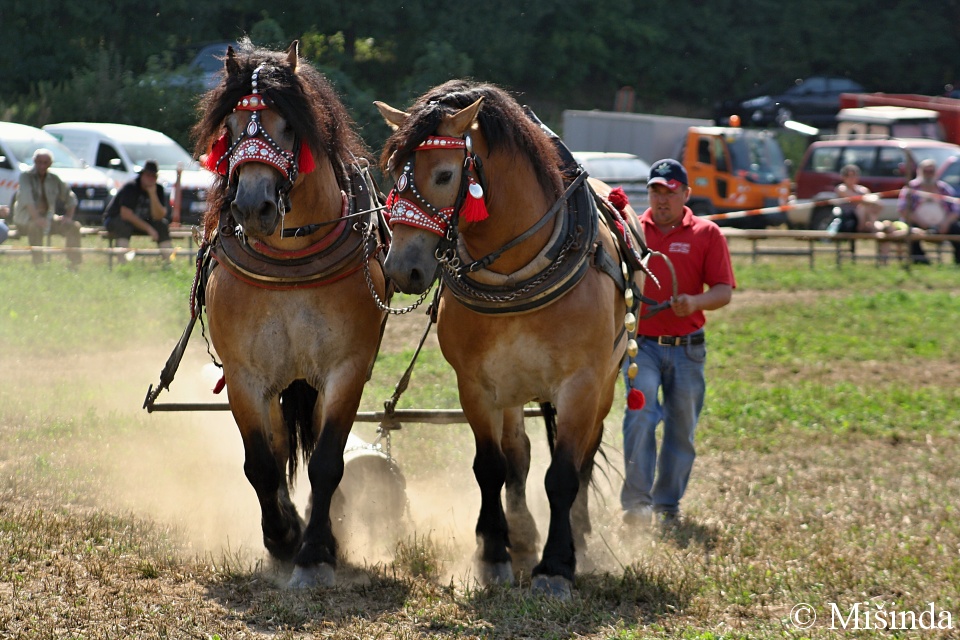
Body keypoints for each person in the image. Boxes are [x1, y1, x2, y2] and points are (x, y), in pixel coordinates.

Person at [621, 159, 736, 530]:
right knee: (640, 417)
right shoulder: (632, 232)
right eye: (656, 191)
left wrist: (694, 302)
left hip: (688, 347)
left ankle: (667, 505)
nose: (662, 199)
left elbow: (723, 291)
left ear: (685, 194)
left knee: (681, 427)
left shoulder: (707, 233)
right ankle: (637, 504)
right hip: (644, 347)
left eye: (669, 192)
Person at [12, 148, 82, 268]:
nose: (42, 166)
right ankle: (38, 264)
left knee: (73, 227)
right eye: (39, 162)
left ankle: (73, 263)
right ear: (34, 161)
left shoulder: (54, 179)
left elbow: (70, 198)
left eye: (45, 162)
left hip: (47, 218)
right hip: (25, 219)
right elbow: (27, 200)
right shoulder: (25, 177)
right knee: (35, 226)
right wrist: (37, 218)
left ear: (50, 163)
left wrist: (68, 217)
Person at [103, 160, 173, 264]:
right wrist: (148, 228)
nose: (151, 179)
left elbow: (159, 215)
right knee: (123, 225)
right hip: (116, 219)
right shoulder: (131, 187)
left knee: (162, 225)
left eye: (154, 176)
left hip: (141, 221)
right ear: (142, 175)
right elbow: (125, 214)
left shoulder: (158, 189)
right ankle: (122, 263)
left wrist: (152, 194)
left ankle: (167, 262)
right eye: (148, 175)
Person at [897, 158, 960, 264]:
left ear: (936, 172)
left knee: (957, 229)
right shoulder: (911, 188)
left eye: (931, 171)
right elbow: (903, 209)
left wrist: (946, 223)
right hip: (918, 223)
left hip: (942, 224)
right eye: (925, 171)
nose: (928, 174)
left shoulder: (944, 188)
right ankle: (920, 261)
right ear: (919, 171)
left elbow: (955, 210)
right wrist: (921, 222)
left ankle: (958, 260)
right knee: (911, 231)